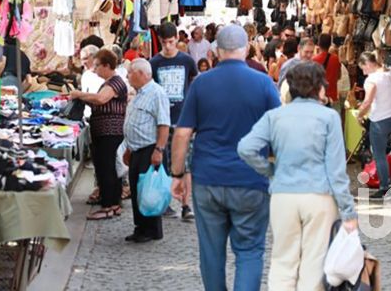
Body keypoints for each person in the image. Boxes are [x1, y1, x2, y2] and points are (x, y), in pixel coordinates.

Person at [171, 24, 281, 291]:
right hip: (251, 180)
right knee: (250, 251)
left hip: (208, 179)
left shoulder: (201, 84)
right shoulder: (264, 83)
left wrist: (176, 174)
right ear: (245, 49)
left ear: (217, 51)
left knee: (211, 251)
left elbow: (183, 133)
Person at [237, 61, 358, 291]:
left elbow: (246, 148)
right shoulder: (328, 117)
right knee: (314, 261)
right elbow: (336, 170)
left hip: (283, 194)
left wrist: (269, 170)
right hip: (319, 196)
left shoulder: (275, 116)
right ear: (317, 87)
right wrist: (348, 211)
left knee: (283, 259)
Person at [71, 48, 129, 220]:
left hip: (110, 133)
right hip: (104, 132)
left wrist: (80, 94)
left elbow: (101, 99)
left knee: (108, 168)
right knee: (105, 168)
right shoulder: (109, 82)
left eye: (97, 66)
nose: (94, 69)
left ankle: (110, 205)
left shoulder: (116, 82)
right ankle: (111, 202)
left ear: (106, 65)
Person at [149, 22, 198, 220]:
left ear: (177, 39)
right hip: (163, 121)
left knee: (186, 165)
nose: (168, 46)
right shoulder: (154, 63)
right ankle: (166, 201)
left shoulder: (187, 61)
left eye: (171, 42)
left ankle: (186, 205)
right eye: (164, 43)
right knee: (164, 163)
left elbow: (194, 86)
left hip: (183, 120)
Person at [122, 59, 171, 243]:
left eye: (130, 73)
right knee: (137, 189)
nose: (127, 77)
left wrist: (159, 149)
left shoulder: (156, 93)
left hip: (150, 148)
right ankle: (140, 227)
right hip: (136, 149)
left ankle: (151, 230)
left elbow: (164, 124)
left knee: (149, 190)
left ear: (141, 73)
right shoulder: (140, 93)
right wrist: (129, 147)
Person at [356, 52, 391, 198]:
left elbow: (368, 101)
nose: (364, 72)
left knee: (379, 154)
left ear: (368, 64)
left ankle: (384, 186)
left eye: (363, 68)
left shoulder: (372, 79)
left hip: (379, 120)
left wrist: (359, 114)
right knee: (389, 150)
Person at [312, 34, 341, 103]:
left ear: (319, 44)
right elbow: (339, 76)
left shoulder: (314, 60)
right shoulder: (335, 59)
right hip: (332, 96)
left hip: (318, 96)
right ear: (330, 44)